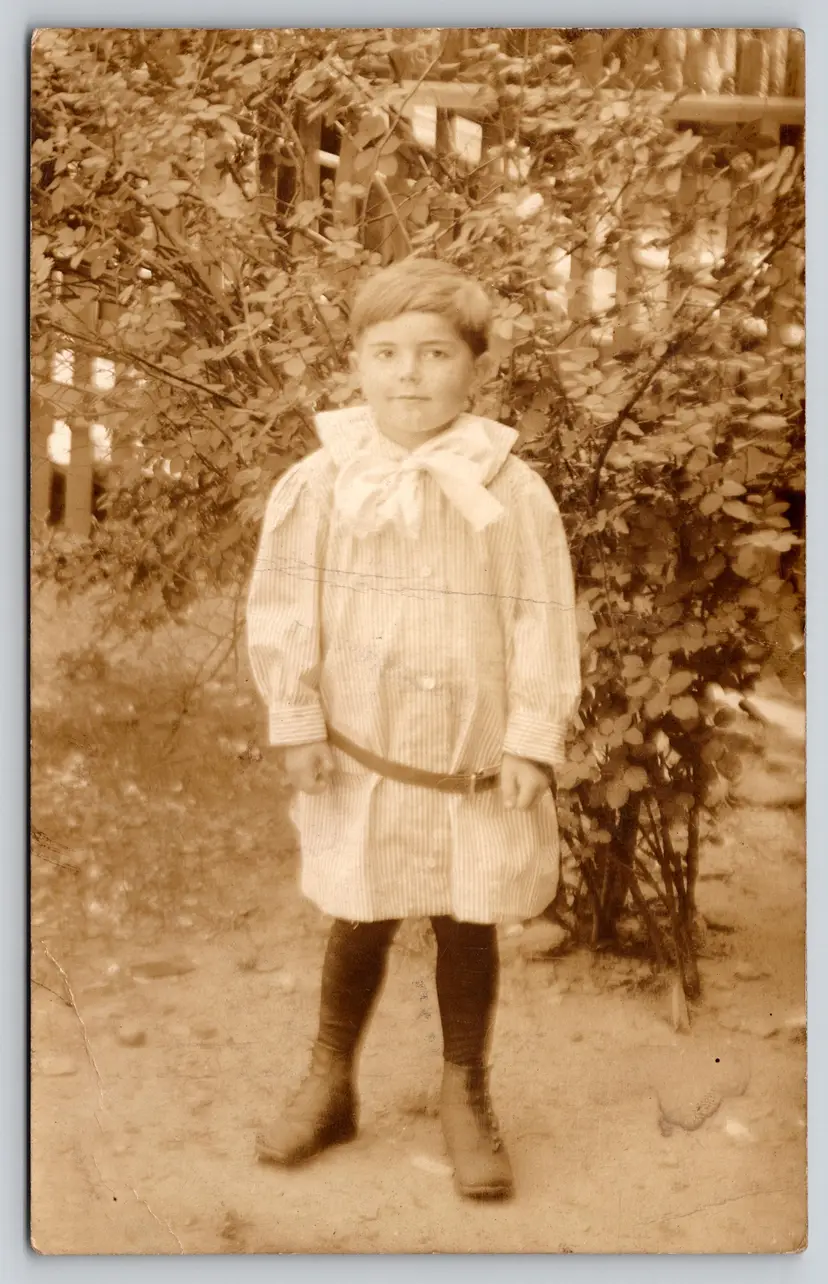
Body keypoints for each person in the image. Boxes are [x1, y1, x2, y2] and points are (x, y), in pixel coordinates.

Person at [246, 257, 581, 1200]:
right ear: (356, 361)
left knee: (466, 916)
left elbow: (541, 617)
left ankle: (464, 1092)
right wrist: (299, 715)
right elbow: (283, 606)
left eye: (434, 354)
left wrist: (529, 738)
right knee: (361, 909)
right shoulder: (322, 483)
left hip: (470, 762)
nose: (408, 374)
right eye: (386, 352)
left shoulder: (510, 490)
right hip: (366, 754)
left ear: (474, 367)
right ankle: (328, 1077)